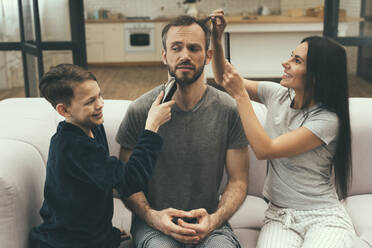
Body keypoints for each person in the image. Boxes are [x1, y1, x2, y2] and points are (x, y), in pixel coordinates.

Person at [210, 9, 356, 248]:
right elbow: (222, 76)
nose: (284, 63)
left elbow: (265, 149)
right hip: (279, 216)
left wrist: (240, 95)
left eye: (296, 61)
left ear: (317, 76)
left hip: (323, 217)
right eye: (291, 56)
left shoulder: (327, 120)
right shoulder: (276, 95)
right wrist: (216, 38)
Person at [115, 15, 249, 248]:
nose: (184, 55)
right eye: (176, 48)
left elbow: (238, 180)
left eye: (194, 48)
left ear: (208, 56)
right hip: (154, 224)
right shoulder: (140, 110)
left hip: (208, 223)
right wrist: (152, 216)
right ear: (165, 55)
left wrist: (214, 219)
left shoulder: (228, 110)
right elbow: (128, 183)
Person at [29, 64, 175, 248]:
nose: (100, 104)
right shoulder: (72, 146)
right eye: (90, 101)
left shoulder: (93, 128)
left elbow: (104, 181)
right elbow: (131, 180)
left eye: (99, 95)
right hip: (66, 243)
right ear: (64, 111)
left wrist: (106, 234)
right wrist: (152, 126)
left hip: (92, 237)